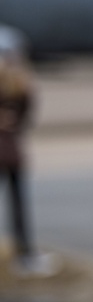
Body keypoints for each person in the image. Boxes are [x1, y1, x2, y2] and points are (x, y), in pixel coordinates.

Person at [0, 52, 56, 277]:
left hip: (8, 152)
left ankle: (25, 254)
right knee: (18, 206)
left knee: (17, 205)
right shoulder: (20, 89)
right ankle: (25, 253)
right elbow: (27, 117)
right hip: (13, 153)